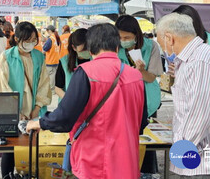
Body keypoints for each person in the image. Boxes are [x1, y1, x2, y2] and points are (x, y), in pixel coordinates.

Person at [27, 23, 145, 179]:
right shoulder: (136, 76)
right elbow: (142, 122)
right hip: (127, 161)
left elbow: (65, 117)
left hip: (94, 162)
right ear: (117, 47)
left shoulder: (86, 72)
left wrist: (39, 123)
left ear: (90, 49)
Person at [156, 13, 210, 177]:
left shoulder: (199, 61)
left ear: (169, 38)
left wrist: (181, 153)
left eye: (162, 43)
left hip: (207, 165)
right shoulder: (197, 57)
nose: (164, 49)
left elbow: (199, 115)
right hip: (208, 162)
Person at [0, 21, 52, 178]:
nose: (31, 43)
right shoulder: (6, 57)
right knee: (11, 150)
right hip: (13, 113)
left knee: (34, 148)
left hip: (35, 111)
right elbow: (1, 87)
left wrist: (38, 107)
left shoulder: (39, 56)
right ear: (17, 38)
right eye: (27, 40)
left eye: (34, 39)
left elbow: (44, 83)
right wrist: (16, 113)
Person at [115, 15, 163, 117]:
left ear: (136, 35)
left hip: (147, 99)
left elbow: (151, 78)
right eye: (120, 38)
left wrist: (141, 71)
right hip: (123, 100)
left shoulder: (151, 46)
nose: (123, 41)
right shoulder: (115, 48)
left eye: (127, 37)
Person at [55, 28, 90, 99]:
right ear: (74, 48)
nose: (86, 52)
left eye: (88, 49)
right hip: (70, 105)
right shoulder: (65, 61)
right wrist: (68, 100)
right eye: (82, 50)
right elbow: (57, 87)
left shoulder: (96, 59)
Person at [42, 25, 61, 90]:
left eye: (47, 31)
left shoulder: (50, 39)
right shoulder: (56, 38)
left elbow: (44, 50)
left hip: (50, 61)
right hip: (56, 60)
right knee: (53, 75)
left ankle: (51, 90)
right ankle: (52, 89)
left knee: (51, 76)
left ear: (49, 31)